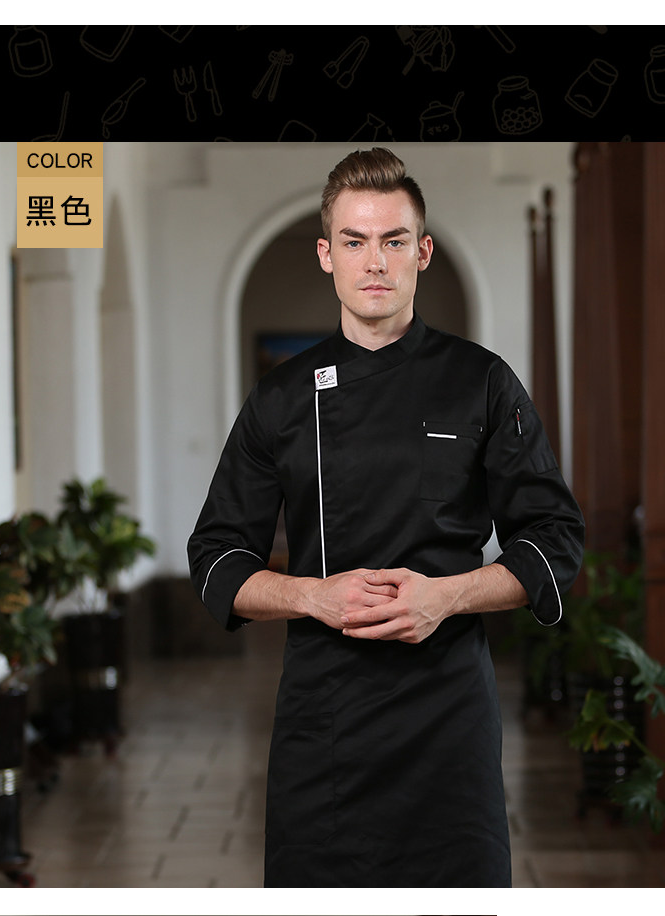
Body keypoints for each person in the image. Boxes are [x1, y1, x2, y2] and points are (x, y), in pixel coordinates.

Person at [187, 147, 585, 888]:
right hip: (325, 720)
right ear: (326, 255)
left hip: (448, 714)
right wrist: (313, 596)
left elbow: (554, 539)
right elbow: (216, 558)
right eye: (355, 241)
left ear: (422, 252)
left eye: (394, 240)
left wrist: (446, 596)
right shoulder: (281, 399)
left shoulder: (483, 381)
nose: (375, 261)